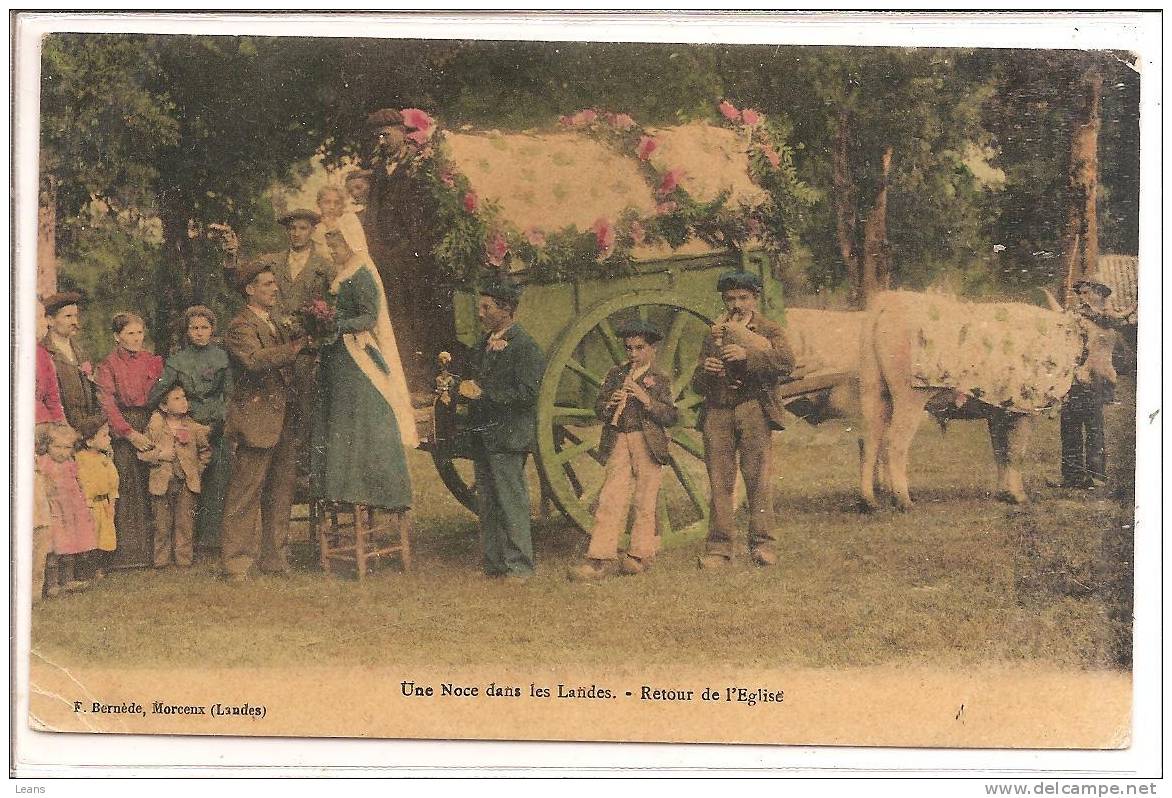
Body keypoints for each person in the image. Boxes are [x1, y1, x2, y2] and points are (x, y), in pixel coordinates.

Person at [310, 228, 417, 515]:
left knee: (357, 417)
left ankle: (365, 488)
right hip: (337, 355)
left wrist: (338, 324)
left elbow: (369, 316)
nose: (333, 252)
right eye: (330, 248)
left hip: (357, 352)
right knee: (339, 419)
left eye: (337, 247)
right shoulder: (342, 274)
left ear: (352, 245)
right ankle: (340, 489)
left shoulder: (362, 274)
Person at [693, 271, 795, 569]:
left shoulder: (769, 330)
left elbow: (787, 363)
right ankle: (719, 549)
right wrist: (707, 370)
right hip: (717, 411)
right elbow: (696, 383)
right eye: (730, 298)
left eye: (743, 298)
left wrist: (747, 356)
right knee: (719, 481)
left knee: (758, 479)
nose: (736, 304)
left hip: (753, 409)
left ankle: (763, 545)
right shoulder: (715, 331)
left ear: (754, 299)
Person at [219, 259, 308, 581]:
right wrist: (294, 348)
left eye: (274, 283)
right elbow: (254, 361)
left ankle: (275, 560)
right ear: (250, 290)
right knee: (246, 494)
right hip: (255, 421)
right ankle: (236, 565)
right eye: (267, 284)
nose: (274, 289)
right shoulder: (239, 326)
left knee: (281, 492)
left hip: (283, 420)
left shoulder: (276, 324)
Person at [568, 320, 678, 581]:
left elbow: (670, 415)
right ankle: (600, 557)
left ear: (652, 350)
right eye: (629, 349)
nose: (633, 354)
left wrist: (645, 398)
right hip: (620, 439)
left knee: (645, 499)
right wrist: (611, 403)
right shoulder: (617, 374)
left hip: (647, 442)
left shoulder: (658, 379)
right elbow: (599, 408)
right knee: (611, 497)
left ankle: (639, 555)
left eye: (639, 349)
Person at [459, 279, 545, 581]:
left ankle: (520, 566)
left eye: (487, 307)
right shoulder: (484, 343)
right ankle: (494, 563)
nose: (480, 313)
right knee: (488, 501)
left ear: (506, 310)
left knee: (511, 501)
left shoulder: (526, 347)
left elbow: (527, 394)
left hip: (508, 435)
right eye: (480, 306)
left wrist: (484, 394)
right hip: (485, 434)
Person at [147, 305, 233, 550]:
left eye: (204, 328)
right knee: (188, 483)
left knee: (219, 481)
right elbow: (158, 393)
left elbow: (229, 393)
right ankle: (189, 542)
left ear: (212, 330)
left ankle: (214, 540)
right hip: (189, 428)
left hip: (218, 427)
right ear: (187, 331)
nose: (199, 333)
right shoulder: (178, 361)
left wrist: (220, 422)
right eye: (194, 328)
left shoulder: (221, 357)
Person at [94, 312, 164, 570]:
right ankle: (124, 555)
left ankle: (154, 552)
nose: (137, 338)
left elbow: (160, 392)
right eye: (130, 333)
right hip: (123, 429)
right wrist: (129, 434)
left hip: (150, 422)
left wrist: (155, 425)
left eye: (140, 333)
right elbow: (107, 403)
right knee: (126, 487)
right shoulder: (108, 365)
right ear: (117, 336)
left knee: (154, 485)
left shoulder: (151, 361)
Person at [1058, 277, 1123, 490]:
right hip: (1072, 379)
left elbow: (1106, 322)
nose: (1082, 298)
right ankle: (1072, 476)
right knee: (1069, 428)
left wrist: (1078, 315)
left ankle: (1096, 476)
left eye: (1087, 293)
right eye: (1080, 293)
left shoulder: (1107, 318)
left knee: (1094, 428)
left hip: (1095, 379)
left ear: (1100, 294)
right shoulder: (1078, 318)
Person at [138, 385, 212, 568]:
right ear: (164, 407)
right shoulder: (155, 427)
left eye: (184, 397)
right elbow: (142, 454)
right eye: (177, 399)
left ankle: (183, 561)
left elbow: (205, 452)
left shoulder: (194, 428)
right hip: (162, 483)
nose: (183, 401)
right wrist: (160, 456)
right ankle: (161, 561)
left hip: (187, 484)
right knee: (161, 525)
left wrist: (197, 470)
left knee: (185, 524)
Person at [36, 424, 98, 595]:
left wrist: (84, 500)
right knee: (54, 547)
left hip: (72, 509)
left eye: (67, 447)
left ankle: (68, 580)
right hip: (54, 510)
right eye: (57, 447)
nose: (62, 452)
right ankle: (52, 584)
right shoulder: (44, 463)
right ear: (46, 445)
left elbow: (78, 482)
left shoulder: (70, 462)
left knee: (70, 544)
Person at [40, 292, 104, 435]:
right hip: (60, 434)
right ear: (50, 320)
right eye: (68, 316)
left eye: (75, 316)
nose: (75, 322)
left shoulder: (81, 352)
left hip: (88, 431)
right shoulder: (42, 353)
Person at [74, 421, 119, 580]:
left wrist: (111, 504)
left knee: (105, 538)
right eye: (105, 435)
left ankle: (101, 569)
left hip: (104, 505)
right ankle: (85, 571)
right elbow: (79, 482)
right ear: (90, 441)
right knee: (89, 537)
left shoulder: (105, 460)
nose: (109, 439)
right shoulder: (80, 459)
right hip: (88, 505)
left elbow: (113, 483)